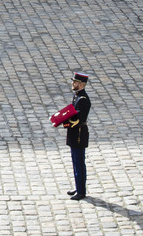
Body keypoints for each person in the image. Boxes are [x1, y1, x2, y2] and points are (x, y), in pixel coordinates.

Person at [62, 71, 92, 201]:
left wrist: (63, 120)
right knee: (75, 162)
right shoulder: (77, 96)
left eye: (74, 82)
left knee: (79, 162)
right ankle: (78, 186)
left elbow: (78, 118)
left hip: (79, 134)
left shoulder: (83, 100)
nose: (72, 83)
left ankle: (81, 191)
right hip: (74, 133)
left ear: (81, 84)